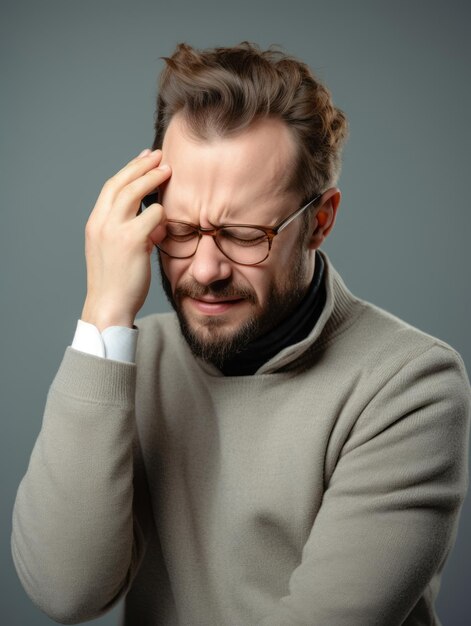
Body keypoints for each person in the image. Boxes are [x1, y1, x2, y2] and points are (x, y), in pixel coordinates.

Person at [12, 42, 470, 626]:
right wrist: (102, 314)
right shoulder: (132, 358)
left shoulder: (410, 385)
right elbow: (65, 591)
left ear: (319, 222)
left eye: (244, 234)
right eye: (178, 229)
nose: (205, 270)